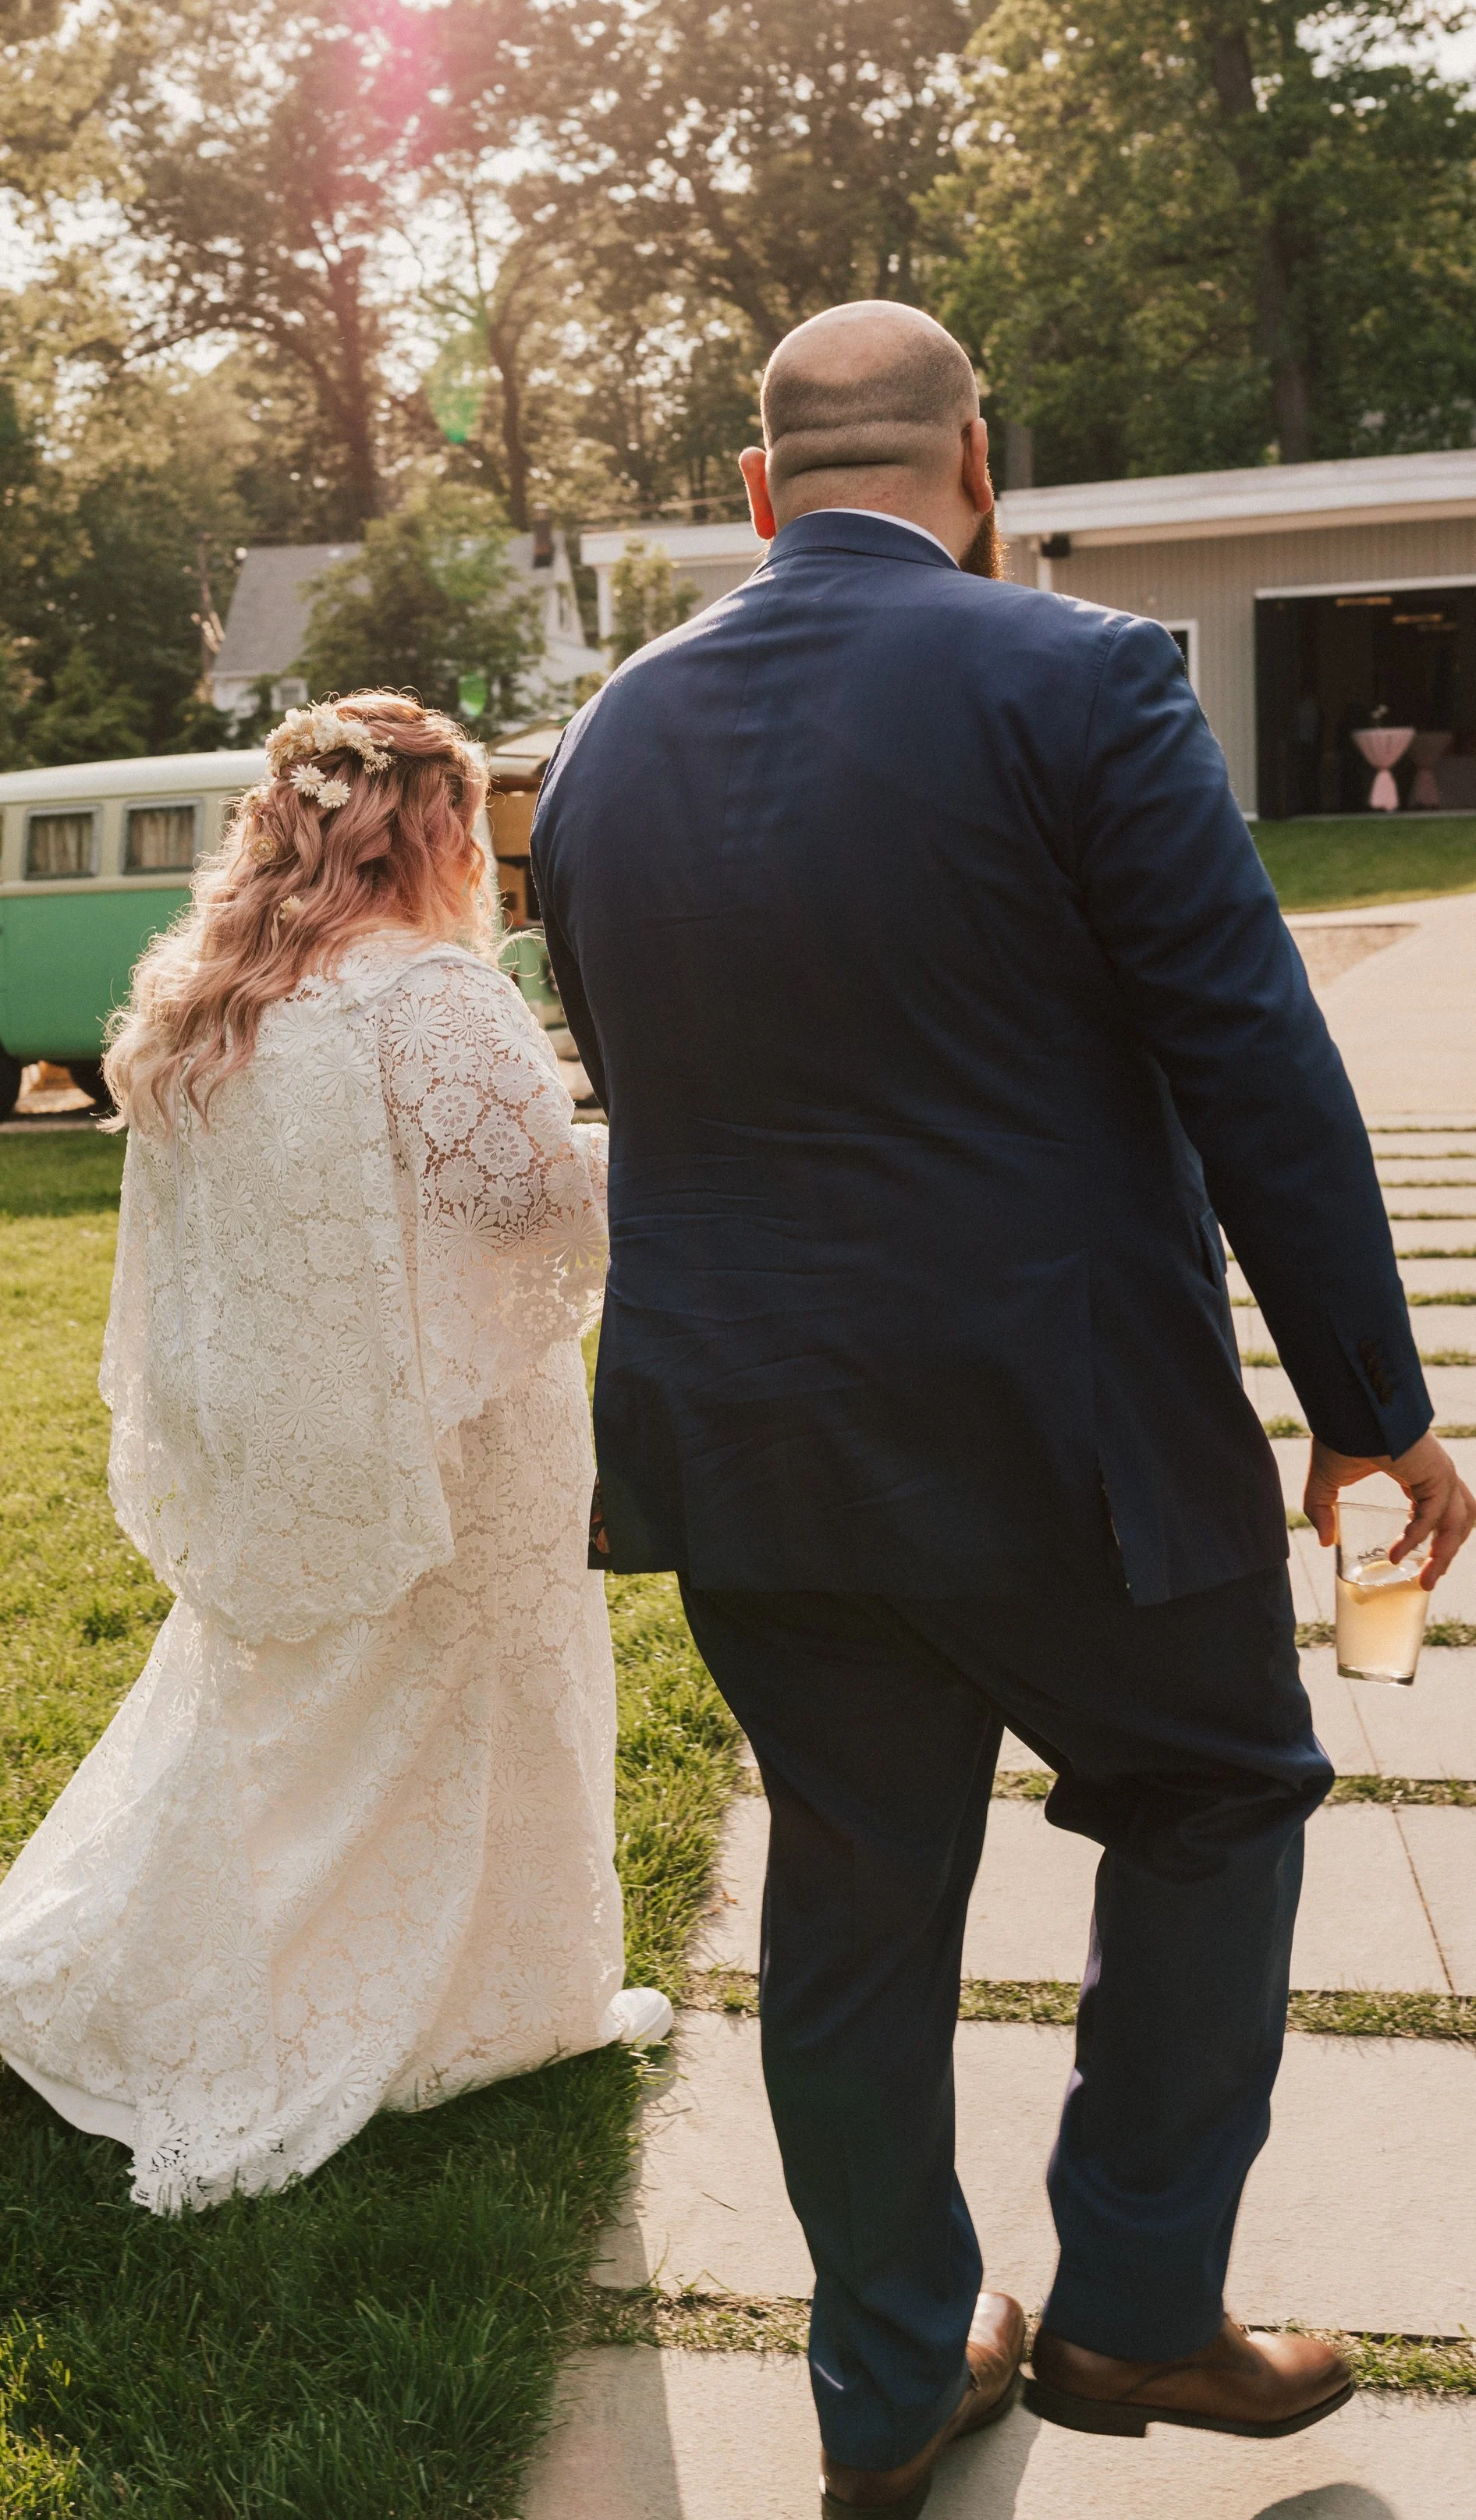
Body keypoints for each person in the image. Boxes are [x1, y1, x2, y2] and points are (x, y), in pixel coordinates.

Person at [531, 304, 1473, 2519]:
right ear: (979, 460)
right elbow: (1251, 1051)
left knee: (850, 1898)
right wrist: (1368, 1404)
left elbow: (639, 1076)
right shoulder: (1082, 676)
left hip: (737, 1432)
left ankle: (881, 2380)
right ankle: (1137, 2291)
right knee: (1221, 1784)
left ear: (756, 492)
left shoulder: (603, 741)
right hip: (1054, 1435)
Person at [0, 694, 669, 2210]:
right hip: (453, 1435)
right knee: (470, 1713)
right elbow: (529, 1202)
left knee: (280, 1732)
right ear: (429, 827)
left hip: (292, 1429)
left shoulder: (213, 999)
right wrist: (672, 1157)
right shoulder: (435, 996)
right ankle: (489, 2011)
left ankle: (112, 1974)